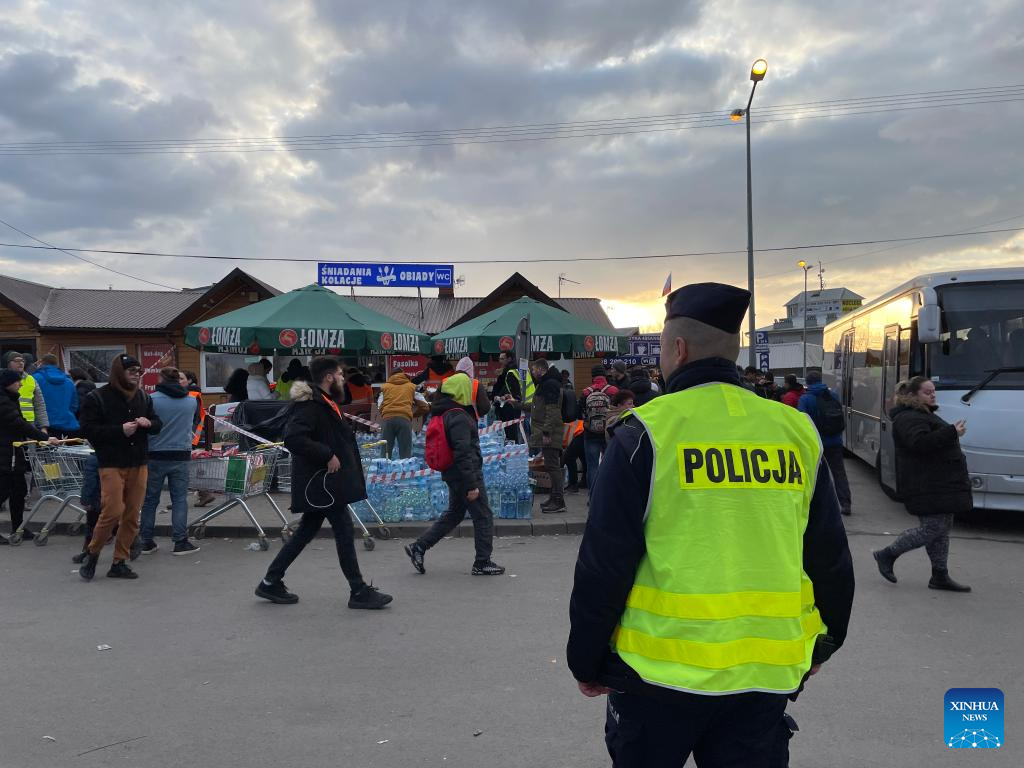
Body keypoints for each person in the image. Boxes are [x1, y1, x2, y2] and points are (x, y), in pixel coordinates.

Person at [567, 282, 855, 767]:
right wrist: (826, 643)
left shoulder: (646, 433)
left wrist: (586, 659)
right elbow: (828, 554)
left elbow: (604, 563)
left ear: (677, 349)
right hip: (764, 674)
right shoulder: (795, 431)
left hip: (657, 676)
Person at [255, 357, 392, 609]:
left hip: (324, 484)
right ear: (329, 377)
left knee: (306, 531)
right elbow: (294, 438)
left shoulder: (325, 401)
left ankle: (270, 581)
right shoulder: (311, 404)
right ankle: (358, 590)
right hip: (322, 484)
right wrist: (327, 454)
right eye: (339, 374)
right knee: (344, 530)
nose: (342, 378)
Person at [872, 377, 972, 592]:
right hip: (926, 483)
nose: (933, 395)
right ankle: (887, 554)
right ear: (912, 395)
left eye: (933, 391)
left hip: (937, 482)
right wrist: (951, 432)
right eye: (927, 392)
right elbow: (919, 444)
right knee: (933, 528)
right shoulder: (909, 417)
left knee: (942, 529)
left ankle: (939, 575)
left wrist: (951, 434)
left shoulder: (921, 414)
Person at [404, 377, 504, 576]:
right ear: (461, 391)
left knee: (455, 514)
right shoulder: (458, 416)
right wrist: (472, 484)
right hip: (465, 474)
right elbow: (463, 452)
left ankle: (419, 546)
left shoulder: (444, 412)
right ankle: (482, 562)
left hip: (453, 473)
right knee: (483, 515)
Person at [77, 354, 163, 581]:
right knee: (113, 511)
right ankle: (92, 553)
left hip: (138, 461)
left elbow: (157, 424)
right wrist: (119, 430)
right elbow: (87, 430)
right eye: (131, 371)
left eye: (139, 371)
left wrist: (149, 423)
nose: (137, 375)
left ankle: (119, 561)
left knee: (132, 514)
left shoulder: (143, 397)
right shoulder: (97, 397)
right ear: (118, 372)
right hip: (111, 462)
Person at [137, 368, 201, 556]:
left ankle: (146, 541)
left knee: (150, 500)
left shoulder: (151, 399)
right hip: (181, 454)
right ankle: (180, 541)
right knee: (180, 499)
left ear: (161, 378)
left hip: (154, 454)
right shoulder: (191, 401)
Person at [0, 369, 58, 544]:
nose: (20, 384)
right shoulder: (3, 401)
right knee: (4, 490)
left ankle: (19, 527)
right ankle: (18, 527)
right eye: (17, 381)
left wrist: (41, 435)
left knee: (19, 490)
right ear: (8, 383)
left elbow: (21, 421)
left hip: (13, 451)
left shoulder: (11, 398)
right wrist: (44, 437)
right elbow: (17, 424)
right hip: (5, 453)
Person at [798, 370, 852, 517]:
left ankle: (816, 507)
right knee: (839, 473)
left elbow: (802, 422)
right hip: (835, 441)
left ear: (807, 383)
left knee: (815, 475)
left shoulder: (805, 399)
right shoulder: (833, 395)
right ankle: (846, 503)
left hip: (816, 443)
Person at [529, 358, 565, 513]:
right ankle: (554, 497)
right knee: (550, 466)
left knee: (553, 466)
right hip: (549, 431)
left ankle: (559, 501)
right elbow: (538, 407)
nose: (532, 372)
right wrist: (516, 404)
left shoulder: (549, 384)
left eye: (533, 369)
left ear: (540, 369)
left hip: (551, 433)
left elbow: (552, 411)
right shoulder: (547, 383)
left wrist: (546, 432)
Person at [580, 365, 619, 496]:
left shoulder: (586, 392)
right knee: (610, 464)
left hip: (590, 433)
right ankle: (609, 495)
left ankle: (593, 497)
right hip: (609, 432)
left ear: (592, 376)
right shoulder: (613, 391)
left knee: (592, 466)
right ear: (605, 375)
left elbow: (580, 412)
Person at [377, 369, 428, 459]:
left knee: (385, 453)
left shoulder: (385, 387)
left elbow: (380, 406)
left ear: (391, 376)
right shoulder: (411, 387)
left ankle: (384, 467)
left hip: (387, 420)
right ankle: (405, 467)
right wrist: (413, 415)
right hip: (404, 420)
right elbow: (425, 406)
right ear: (404, 375)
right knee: (406, 454)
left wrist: (387, 414)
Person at [32, 353, 79, 438]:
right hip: (68, 424)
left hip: (45, 427)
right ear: (57, 364)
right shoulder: (69, 381)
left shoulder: (34, 379)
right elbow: (74, 405)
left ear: (41, 363)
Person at [5, 352, 48, 431]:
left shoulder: (31, 379)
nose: (21, 363)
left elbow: (39, 405)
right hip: (8, 423)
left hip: (29, 423)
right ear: (9, 363)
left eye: (22, 361)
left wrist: (43, 427)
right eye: (17, 360)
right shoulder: (3, 379)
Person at [489, 351, 524, 442]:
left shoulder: (510, 372)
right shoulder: (506, 371)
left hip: (508, 406)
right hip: (506, 405)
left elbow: (508, 387)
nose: (500, 361)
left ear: (509, 359)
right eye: (499, 358)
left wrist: (500, 396)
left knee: (510, 432)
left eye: (502, 359)